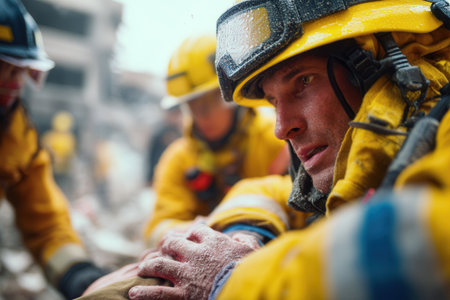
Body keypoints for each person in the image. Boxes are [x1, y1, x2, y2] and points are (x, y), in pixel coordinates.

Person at [123, 0, 450, 299]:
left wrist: (231, 281)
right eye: (272, 100)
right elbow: (274, 191)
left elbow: (421, 246)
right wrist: (244, 232)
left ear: (379, 65)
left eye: (303, 82)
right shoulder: (178, 158)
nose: (282, 128)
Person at [0, 0, 105, 298]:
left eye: (18, 72)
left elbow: (45, 223)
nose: (12, 86)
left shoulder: (17, 136)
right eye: (2, 69)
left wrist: (78, 273)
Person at [143, 33, 290, 247]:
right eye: (192, 104)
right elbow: (157, 228)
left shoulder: (276, 140)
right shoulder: (178, 159)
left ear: (230, 94)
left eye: (211, 100)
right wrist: (199, 230)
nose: (202, 115)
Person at [145, 105, 182, 185]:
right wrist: (149, 177)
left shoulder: (180, 131)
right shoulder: (160, 132)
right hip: (159, 172)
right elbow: (152, 155)